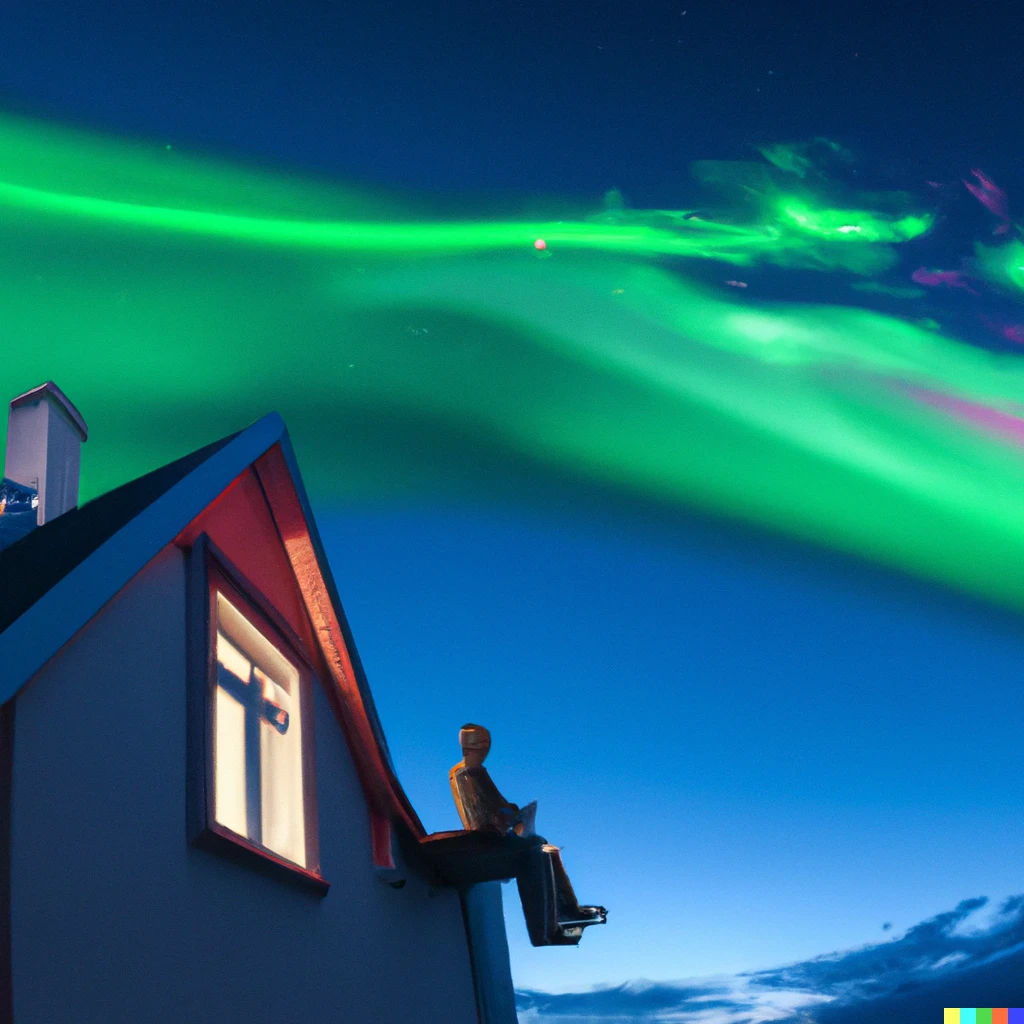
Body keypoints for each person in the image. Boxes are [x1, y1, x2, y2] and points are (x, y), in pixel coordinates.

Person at [448, 722, 606, 946]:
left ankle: (568, 909)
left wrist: (511, 811)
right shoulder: (466, 774)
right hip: (487, 840)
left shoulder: (477, 772)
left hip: (496, 835)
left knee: (545, 847)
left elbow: (500, 805)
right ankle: (544, 931)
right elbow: (481, 816)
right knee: (535, 850)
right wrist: (508, 814)